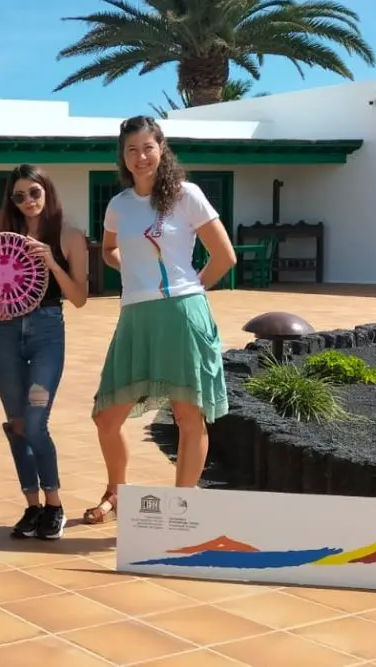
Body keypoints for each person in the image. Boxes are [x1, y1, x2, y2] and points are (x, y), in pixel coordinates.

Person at [84, 115, 236, 525]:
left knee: (189, 416)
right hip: (135, 315)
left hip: (182, 312)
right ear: (123, 156)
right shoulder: (118, 205)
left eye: (147, 147)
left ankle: (181, 510)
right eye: (131, 150)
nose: (140, 157)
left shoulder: (187, 195)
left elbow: (224, 257)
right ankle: (116, 493)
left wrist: (189, 291)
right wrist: (137, 274)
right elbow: (110, 250)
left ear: (161, 148)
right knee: (107, 416)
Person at [0, 165, 88, 540]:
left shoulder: (69, 235)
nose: (28, 201)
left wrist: (49, 260)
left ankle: (54, 504)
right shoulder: (3, 234)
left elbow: (78, 298)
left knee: (34, 422)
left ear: (47, 191)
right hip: (6, 332)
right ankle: (32, 507)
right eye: (19, 196)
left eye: (34, 192)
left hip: (47, 331)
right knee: (17, 425)